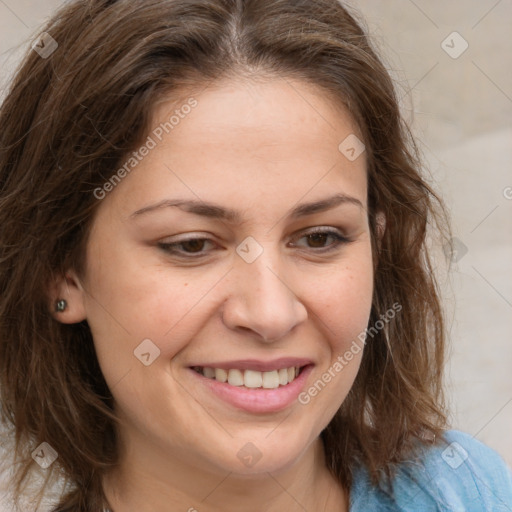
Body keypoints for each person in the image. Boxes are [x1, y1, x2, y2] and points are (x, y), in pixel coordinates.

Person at [0, 1, 510, 511]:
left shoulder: (466, 492)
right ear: (60, 272)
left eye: (320, 238)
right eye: (192, 245)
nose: (270, 313)